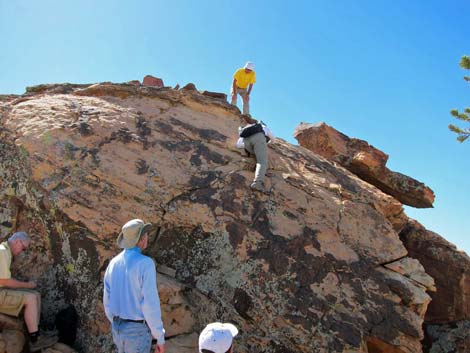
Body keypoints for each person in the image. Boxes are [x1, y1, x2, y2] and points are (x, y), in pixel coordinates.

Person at [103, 219, 165, 353]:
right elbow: (149, 303)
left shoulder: (113, 263)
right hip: (136, 331)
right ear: (142, 238)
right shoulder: (145, 264)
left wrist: (116, 322)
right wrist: (159, 337)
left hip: (118, 328)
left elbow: (107, 301)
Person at [0, 232, 58, 352]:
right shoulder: (2, 252)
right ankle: (35, 341)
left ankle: (37, 333)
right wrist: (27, 285)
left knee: (35, 295)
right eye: (23, 248)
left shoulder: (5, 251)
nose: (22, 252)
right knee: (30, 298)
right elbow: (4, 281)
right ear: (17, 241)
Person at [236, 122, 274, 192]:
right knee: (262, 161)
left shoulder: (247, 129)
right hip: (259, 139)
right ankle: (257, 183)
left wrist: (248, 145)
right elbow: (273, 139)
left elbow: (238, 145)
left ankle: (256, 155)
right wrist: (267, 143)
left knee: (257, 154)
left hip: (247, 142)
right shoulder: (263, 127)